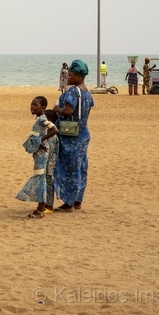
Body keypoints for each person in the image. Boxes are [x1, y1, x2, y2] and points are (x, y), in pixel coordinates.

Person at [52, 59, 95, 212]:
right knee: (80, 168)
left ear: (77, 75)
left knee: (68, 168)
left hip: (70, 136)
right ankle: (77, 201)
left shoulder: (73, 92)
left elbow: (69, 111)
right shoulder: (87, 93)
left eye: (70, 75)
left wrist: (57, 109)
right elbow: (86, 115)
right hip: (83, 133)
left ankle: (68, 203)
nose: (67, 78)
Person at [16, 96, 59, 218]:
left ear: (43, 107)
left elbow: (54, 130)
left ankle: (41, 209)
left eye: (35, 105)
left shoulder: (42, 119)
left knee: (40, 178)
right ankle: (43, 206)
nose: (32, 107)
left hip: (42, 154)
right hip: (39, 153)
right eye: (31, 104)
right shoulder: (39, 119)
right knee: (42, 177)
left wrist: (41, 140)